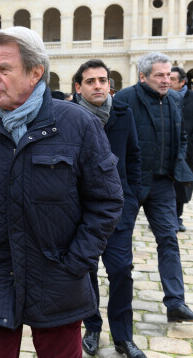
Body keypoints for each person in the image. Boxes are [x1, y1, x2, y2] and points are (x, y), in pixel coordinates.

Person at [0, 27, 124, 357]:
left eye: (3, 69)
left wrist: (77, 261)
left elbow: (106, 201)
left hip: (60, 276)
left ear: (36, 72)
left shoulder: (78, 124)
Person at [113, 52, 193, 323]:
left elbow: (182, 133)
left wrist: (178, 163)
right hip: (129, 186)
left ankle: (176, 303)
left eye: (169, 75)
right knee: (121, 247)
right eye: (160, 75)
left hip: (163, 184)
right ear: (143, 77)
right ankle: (121, 307)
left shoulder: (176, 99)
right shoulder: (124, 100)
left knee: (169, 239)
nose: (167, 80)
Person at [73, 59, 144, 358]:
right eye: (91, 81)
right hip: (80, 213)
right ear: (78, 87)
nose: (99, 85)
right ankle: (92, 327)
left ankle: (123, 337)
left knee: (121, 272)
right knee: (86, 273)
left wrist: (132, 200)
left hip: (118, 211)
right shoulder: (69, 117)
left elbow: (134, 158)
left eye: (103, 80)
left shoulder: (124, 114)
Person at [169, 67, 193, 232]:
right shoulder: (161, 96)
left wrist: (192, 142)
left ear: (182, 82)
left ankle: (177, 217)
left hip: (187, 149)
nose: (167, 81)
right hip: (166, 147)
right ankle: (163, 217)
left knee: (182, 183)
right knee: (165, 183)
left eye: (172, 79)